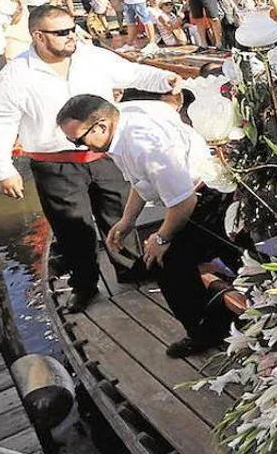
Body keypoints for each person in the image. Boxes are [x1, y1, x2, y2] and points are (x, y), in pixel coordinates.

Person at [0, 5, 179, 312]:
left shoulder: (91, 56)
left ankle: (131, 270)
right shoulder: (14, 75)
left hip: (105, 152)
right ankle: (84, 285)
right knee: (72, 228)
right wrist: (2, 168)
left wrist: (164, 79)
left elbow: (132, 72)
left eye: (72, 29)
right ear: (38, 36)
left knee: (118, 214)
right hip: (55, 162)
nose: (71, 36)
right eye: (61, 33)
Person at [55, 96, 231, 357]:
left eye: (78, 140)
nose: (79, 147)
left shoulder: (142, 144)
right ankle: (217, 319)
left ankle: (205, 331)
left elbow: (184, 201)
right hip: (194, 194)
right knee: (171, 257)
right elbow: (141, 182)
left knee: (164, 260)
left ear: (101, 126)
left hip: (208, 197)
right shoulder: (121, 124)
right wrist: (127, 221)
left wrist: (161, 239)